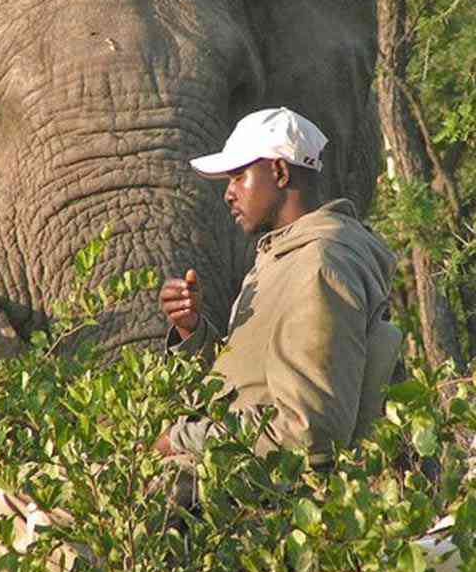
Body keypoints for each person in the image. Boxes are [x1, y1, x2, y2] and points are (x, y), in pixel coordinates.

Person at [156, 107, 401, 467]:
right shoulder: (284, 257)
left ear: (280, 171)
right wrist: (191, 331)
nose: (228, 193)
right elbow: (252, 386)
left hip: (276, 499)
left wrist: (183, 438)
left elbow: (310, 432)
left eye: (238, 176)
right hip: (247, 472)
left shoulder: (321, 263)